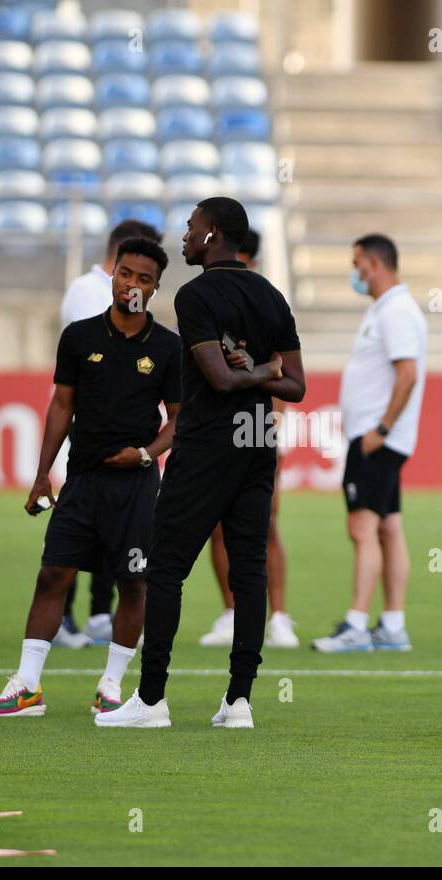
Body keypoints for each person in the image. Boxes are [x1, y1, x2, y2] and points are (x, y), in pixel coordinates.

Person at [96, 197, 305, 729]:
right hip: (257, 443)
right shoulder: (271, 295)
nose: (185, 237)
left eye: (191, 228)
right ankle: (239, 702)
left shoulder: (196, 296)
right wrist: (263, 369)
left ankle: (150, 700)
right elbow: (294, 384)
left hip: (209, 445)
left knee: (165, 569)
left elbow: (219, 379)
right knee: (249, 569)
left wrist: (247, 371)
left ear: (212, 235)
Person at [0, 238, 180, 718]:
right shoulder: (79, 337)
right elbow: (61, 405)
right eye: (126, 273)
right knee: (53, 574)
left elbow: (180, 418)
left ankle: (111, 685)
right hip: (82, 481)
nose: (132, 285)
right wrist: (40, 476)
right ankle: (27, 686)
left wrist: (146, 453)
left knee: (133, 585)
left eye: (145, 279)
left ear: (155, 289)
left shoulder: (169, 347)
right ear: (112, 274)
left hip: (136, 487)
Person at [312, 234, 426, 652]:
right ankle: (392, 626)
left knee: (362, 527)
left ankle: (357, 624)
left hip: (377, 440)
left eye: (357, 262)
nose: (354, 272)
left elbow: (408, 374)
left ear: (374, 263)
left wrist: (381, 427)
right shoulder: (389, 309)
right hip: (381, 438)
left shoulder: (395, 310)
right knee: (387, 528)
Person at [56, 219, 163, 648]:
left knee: (116, 520)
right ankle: (65, 615)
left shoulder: (113, 294)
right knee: (82, 521)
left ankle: (101, 611)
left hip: (117, 424)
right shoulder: (88, 291)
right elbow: (100, 358)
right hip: (93, 423)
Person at [197, 228, 300, 649]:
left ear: (249, 260)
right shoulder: (206, 306)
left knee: (265, 526)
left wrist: (269, 428)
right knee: (218, 529)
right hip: (216, 434)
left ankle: (278, 617)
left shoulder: (266, 306)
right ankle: (232, 612)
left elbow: (284, 370)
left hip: (255, 432)